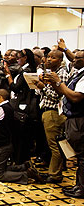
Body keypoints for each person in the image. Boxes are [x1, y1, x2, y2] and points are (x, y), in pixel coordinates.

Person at [44, 49, 84, 198]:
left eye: (78, 59)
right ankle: (78, 185)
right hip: (72, 117)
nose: (74, 60)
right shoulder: (77, 73)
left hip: (79, 118)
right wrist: (54, 84)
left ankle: (81, 188)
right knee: (79, 155)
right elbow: (63, 92)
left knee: (81, 155)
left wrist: (58, 82)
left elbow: (75, 97)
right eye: (74, 58)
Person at [0, 89, 44, 184]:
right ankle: (24, 166)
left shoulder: (3, 108)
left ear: (0, 97)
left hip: (2, 145)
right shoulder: (7, 107)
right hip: (5, 143)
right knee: (0, 166)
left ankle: (26, 174)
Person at [32, 50, 69, 183]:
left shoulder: (61, 75)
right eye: (48, 57)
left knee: (55, 145)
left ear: (60, 60)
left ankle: (55, 174)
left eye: (53, 58)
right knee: (51, 144)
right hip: (47, 111)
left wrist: (43, 87)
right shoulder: (50, 74)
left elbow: (58, 95)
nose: (48, 60)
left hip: (54, 112)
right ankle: (53, 171)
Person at [3, 49, 39, 164]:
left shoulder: (27, 71)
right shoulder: (28, 70)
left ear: (26, 58)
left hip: (23, 107)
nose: (17, 60)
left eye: (19, 57)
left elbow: (15, 87)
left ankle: (19, 161)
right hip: (23, 105)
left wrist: (8, 74)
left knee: (20, 137)